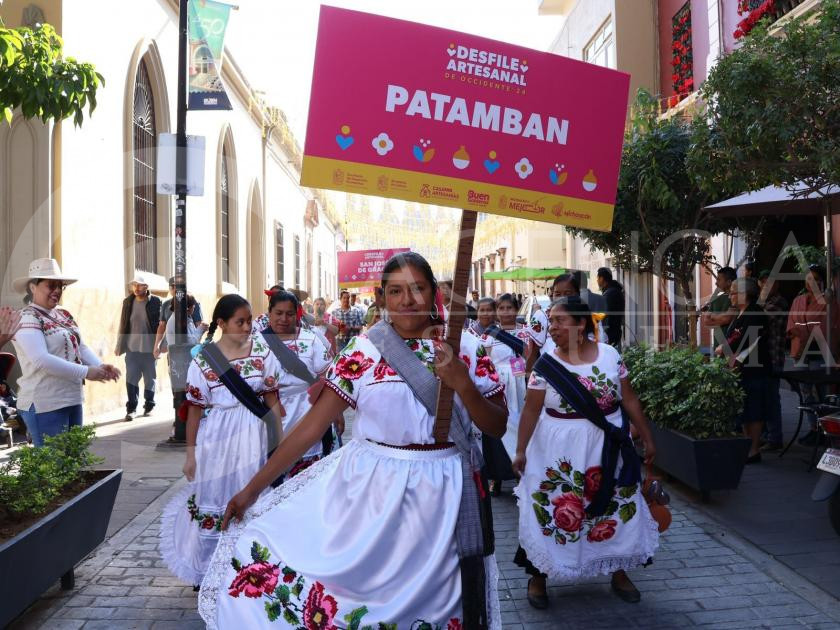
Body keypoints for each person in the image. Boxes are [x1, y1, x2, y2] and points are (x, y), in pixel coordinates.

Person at [198, 252, 507, 628]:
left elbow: (497, 426)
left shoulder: (466, 349)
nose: (407, 300)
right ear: (382, 298)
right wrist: (252, 489)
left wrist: (463, 385)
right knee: (362, 598)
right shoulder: (363, 350)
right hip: (372, 497)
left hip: (446, 496)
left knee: (439, 604)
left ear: (433, 293)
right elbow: (312, 427)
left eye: (417, 289)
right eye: (395, 291)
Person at [512, 297, 658, 608]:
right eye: (550, 321)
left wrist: (646, 436)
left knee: (615, 508)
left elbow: (629, 400)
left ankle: (618, 572)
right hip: (557, 454)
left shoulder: (609, 355)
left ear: (581, 325)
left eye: (559, 321)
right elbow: (530, 411)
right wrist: (520, 450)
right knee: (550, 511)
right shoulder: (546, 365)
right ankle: (538, 577)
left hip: (608, 449)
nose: (552, 328)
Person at [160, 295, 284, 587]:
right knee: (214, 496)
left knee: (255, 494)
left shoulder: (263, 353)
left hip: (255, 435)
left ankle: (254, 568)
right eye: (240, 322)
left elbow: (273, 402)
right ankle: (207, 571)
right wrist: (191, 455)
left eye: (249, 320)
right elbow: (194, 411)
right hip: (217, 439)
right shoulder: (203, 360)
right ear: (221, 323)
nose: (246, 327)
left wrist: (279, 444)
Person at [10, 258, 120, 446]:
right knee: (54, 467)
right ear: (32, 287)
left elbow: (80, 346)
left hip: (70, 397)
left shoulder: (63, 314)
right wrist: (86, 372)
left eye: (60, 286)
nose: (57, 291)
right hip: (45, 402)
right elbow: (40, 359)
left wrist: (99, 366)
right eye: (51, 285)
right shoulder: (27, 318)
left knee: (72, 463)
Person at [258, 289, 339, 479]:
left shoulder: (310, 339)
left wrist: (336, 412)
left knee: (309, 475)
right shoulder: (256, 343)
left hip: (308, 411)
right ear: (269, 313)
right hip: (273, 413)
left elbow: (327, 378)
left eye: (290, 314)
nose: (284, 319)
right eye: (278, 313)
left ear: (297, 315)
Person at [716, 278, 771, 463]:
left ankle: (754, 450)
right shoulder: (741, 313)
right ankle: (749, 447)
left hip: (755, 370)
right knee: (746, 411)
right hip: (743, 370)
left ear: (744, 294)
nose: (730, 295)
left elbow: (747, 340)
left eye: (733, 292)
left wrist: (724, 349)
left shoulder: (755, 313)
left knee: (754, 411)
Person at [786, 264, 840, 445]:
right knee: (805, 391)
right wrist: (799, 332)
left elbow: (829, 326)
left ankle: (826, 429)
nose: (812, 283)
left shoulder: (828, 300)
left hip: (820, 351)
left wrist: (806, 332)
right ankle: (813, 428)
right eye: (809, 279)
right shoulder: (798, 300)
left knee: (822, 392)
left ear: (822, 281)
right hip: (801, 351)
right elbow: (792, 323)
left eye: (816, 279)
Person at [468, 297, 515, 495]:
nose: (486, 313)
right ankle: (495, 476)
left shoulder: (512, 331)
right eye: (482, 310)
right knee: (492, 433)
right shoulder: (471, 334)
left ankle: (517, 472)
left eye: (490, 310)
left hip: (515, 386)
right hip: (490, 386)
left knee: (515, 428)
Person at [115, 273, 161, 421]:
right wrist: (118, 345)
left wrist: (159, 345)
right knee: (131, 378)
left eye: (139, 285)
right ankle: (131, 409)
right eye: (134, 285)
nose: (136, 287)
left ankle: (149, 405)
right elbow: (123, 324)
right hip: (132, 348)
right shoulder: (128, 302)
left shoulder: (156, 302)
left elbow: (161, 325)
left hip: (149, 349)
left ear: (146, 287)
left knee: (149, 379)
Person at [758, 270, 789, 451]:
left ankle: (775, 438)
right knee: (763, 398)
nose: (765, 287)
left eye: (769, 283)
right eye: (763, 283)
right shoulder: (764, 302)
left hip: (773, 358)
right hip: (763, 358)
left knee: (770, 398)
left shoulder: (778, 302)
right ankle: (766, 435)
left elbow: (757, 319)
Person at [153, 276, 204, 358]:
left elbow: (197, 324)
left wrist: (194, 349)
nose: (175, 289)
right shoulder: (166, 305)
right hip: (172, 348)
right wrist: (157, 345)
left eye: (178, 286)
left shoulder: (192, 302)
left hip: (189, 349)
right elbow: (162, 326)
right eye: (172, 286)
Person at [701, 266, 737, 353]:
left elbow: (727, 319)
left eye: (719, 280)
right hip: (717, 347)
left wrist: (713, 316)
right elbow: (706, 322)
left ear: (729, 282)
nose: (716, 283)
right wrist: (723, 318)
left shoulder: (737, 297)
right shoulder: (716, 297)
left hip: (733, 346)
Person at [597, 267, 625, 348]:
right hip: (615, 333)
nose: (597, 281)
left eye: (598, 278)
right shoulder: (615, 291)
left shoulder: (610, 294)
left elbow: (603, 315)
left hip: (610, 336)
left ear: (602, 278)